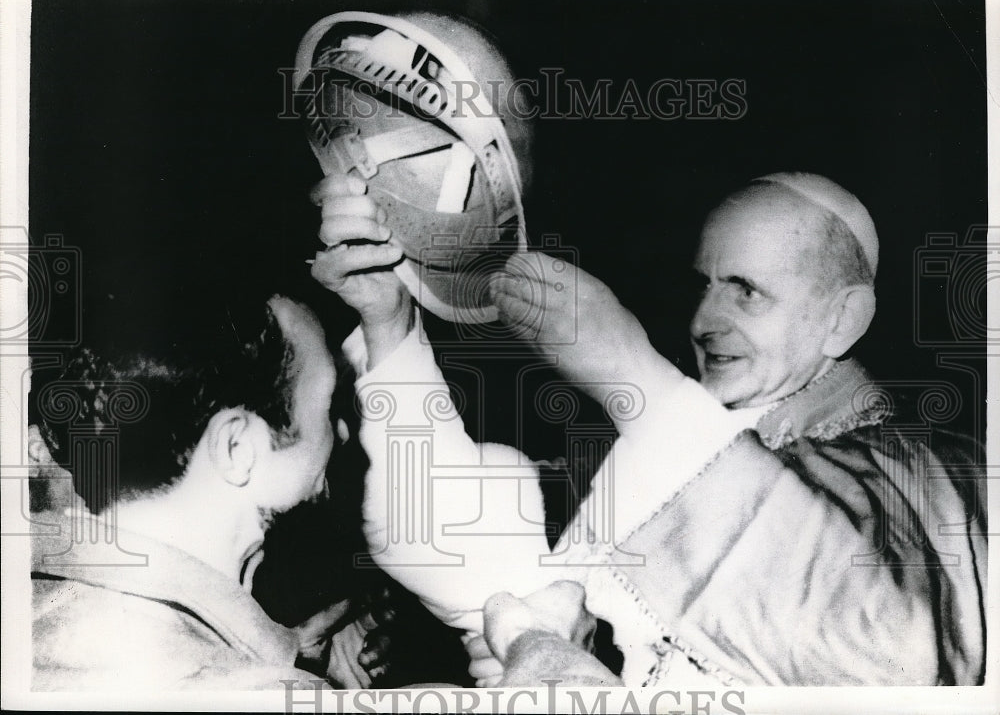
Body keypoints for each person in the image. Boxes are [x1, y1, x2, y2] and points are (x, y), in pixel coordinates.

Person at [313, 158, 986, 687]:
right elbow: (468, 548)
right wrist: (389, 322)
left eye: (745, 291)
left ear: (844, 319)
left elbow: (887, 646)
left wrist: (631, 375)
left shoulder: (933, 476)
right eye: (704, 286)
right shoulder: (674, 444)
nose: (703, 323)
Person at [29, 294, 393, 691]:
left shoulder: (40, 611)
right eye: (326, 406)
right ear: (237, 448)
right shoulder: (247, 692)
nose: (340, 432)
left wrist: (297, 656)